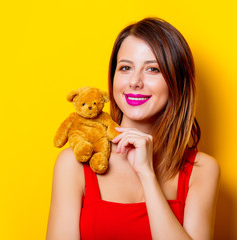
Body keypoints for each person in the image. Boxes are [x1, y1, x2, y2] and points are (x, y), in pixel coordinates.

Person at [47, 17, 220, 240]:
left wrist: (147, 174)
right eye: (126, 68)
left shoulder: (202, 170)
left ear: (177, 82)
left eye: (153, 69)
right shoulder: (74, 163)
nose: (135, 82)